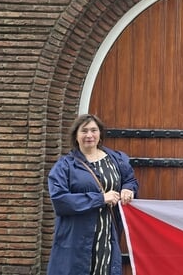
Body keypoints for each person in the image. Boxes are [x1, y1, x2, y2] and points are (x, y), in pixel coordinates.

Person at [47, 113, 139, 275]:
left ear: (100, 134)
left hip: (107, 235)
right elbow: (60, 200)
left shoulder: (116, 159)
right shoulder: (65, 166)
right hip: (76, 239)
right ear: (76, 136)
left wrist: (128, 189)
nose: (89, 135)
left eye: (93, 130)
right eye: (84, 131)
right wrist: (100, 198)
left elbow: (130, 179)